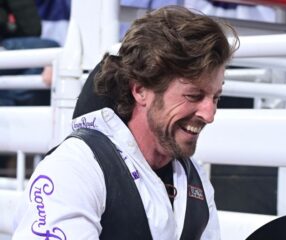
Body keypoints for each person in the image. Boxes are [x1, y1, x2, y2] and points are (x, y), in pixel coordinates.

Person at [12, 5, 238, 240]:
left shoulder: (194, 177)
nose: (209, 114)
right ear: (140, 90)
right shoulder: (73, 169)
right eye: (194, 96)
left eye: (216, 97)